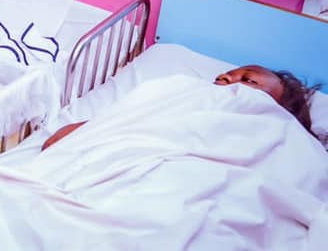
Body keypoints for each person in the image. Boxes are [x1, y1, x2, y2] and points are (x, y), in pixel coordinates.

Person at [42, 65, 320, 150]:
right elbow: (56, 142)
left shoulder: (285, 143)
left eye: (248, 81)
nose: (227, 80)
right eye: (224, 76)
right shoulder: (175, 95)